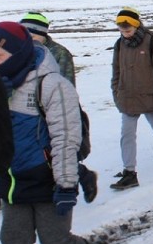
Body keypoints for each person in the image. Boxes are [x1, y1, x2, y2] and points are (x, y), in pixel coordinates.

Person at [0, 22, 111, 244]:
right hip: (11, 181)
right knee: (14, 243)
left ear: (17, 54)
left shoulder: (51, 85)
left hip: (47, 179)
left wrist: (66, 185)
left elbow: (66, 138)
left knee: (56, 242)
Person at [20, 11, 98, 204]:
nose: (28, 38)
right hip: (28, 113)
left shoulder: (59, 53)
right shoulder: (21, 51)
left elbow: (66, 86)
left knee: (56, 151)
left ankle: (79, 179)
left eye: (32, 33)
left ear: (42, 33)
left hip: (53, 112)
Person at [110, 7, 153, 190]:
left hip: (150, 98)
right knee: (127, 134)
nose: (125, 33)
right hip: (127, 98)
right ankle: (129, 173)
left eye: (128, 29)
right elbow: (116, 71)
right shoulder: (119, 45)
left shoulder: (151, 42)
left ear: (136, 25)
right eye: (121, 29)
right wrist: (116, 93)